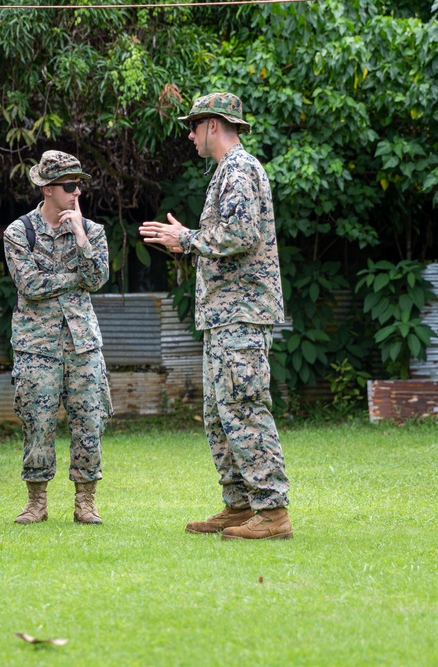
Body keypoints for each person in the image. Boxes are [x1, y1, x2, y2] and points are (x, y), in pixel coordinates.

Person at [138, 92, 292, 540]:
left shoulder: (240, 169)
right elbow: (226, 237)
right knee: (219, 413)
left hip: (241, 314)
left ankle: (273, 512)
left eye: (193, 125)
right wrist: (186, 241)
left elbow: (240, 234)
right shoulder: (228, 171)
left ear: (213, 125)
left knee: (243, 408)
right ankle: (240, 505)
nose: (189, 134)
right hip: (226, 315)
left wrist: (185, 237)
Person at [4, 150, 112, 525]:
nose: (77, 192)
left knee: (90, 423)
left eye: (79, 184)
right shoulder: (19, 233)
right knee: (38, 422)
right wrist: (74, 279)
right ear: (47, 188)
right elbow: (30, 285)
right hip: (36, 347)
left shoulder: (92, 230)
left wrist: (81, 237)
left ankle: (86, 502)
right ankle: (37, 502)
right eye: (69, 185)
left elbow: (98, 278)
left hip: (83, 344)